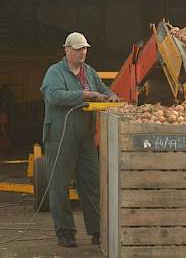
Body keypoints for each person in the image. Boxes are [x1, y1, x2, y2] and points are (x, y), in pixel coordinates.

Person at [40, 32, 120, 248]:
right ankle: (65, 232)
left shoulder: (89, 72)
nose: (82, 52)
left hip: (85, 138)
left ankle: (96, 231)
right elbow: (53, 96)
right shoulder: (55, 72)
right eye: (77, 49)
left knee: (91, 184)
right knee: (60, 187)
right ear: (66, 50)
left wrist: (111, 95)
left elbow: (103, 90)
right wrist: (85, 95)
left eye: (84, 48)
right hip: (60, 136)